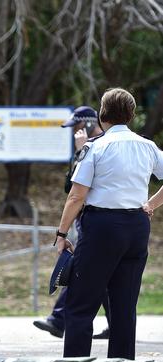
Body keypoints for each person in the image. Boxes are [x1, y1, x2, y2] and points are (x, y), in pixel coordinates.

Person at [55, 87, 163, 360]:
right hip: (137, 227)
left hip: (102, 227)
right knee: (124, 307)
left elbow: (77, 195)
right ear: (131, 115)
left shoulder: (96, 147)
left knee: (80, 305)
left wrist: (61, 233)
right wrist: (150, 204)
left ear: (103, 114)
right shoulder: (147, 146)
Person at [33, 106, 111, 340]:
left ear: (87, 124)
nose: (73, 132)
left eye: (76, 126)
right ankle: (113, 323)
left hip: (96, 220)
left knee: (81, 270)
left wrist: (81, 152)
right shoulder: (85, 148)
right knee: (100, 273)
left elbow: (83, 190)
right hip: (86, 220)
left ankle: (59, 319)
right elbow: (71, 185)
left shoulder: (98, 146)